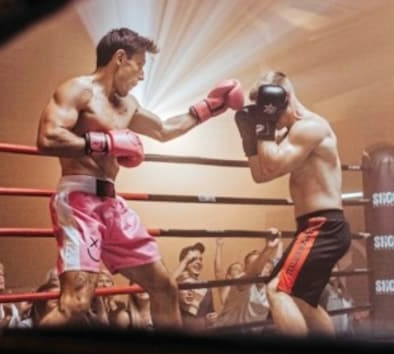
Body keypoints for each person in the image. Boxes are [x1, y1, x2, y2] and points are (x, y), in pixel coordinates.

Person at [36, 27, 244, 329]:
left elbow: (164, 129)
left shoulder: (128, 105)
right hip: (79, 201)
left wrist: (209, 107)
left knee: (165, 287)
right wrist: (104, 143)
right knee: (75, 305)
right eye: (140, 66)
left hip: (112, 205)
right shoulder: (77, 90)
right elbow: (47, 137)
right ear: (120, 58)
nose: (142, 76)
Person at [234, 71, 351, 336]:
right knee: (302, 301)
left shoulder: (310, 127)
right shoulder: (291, 133)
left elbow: (273, 161)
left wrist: (263, 124)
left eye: (269, 110)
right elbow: (261, 174)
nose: (271, 120)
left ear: (280, 100)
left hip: (323, 226)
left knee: (277, 291)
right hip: (315, 227)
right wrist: (250, 143)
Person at [214, 232, 283, 329]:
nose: (261, 267)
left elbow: (277, 262)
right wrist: (269, 248)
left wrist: (279, 242)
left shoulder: (269, 286)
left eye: (264, 265)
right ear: (246, 269)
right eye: (254, 264)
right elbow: (253, 272)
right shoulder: (239, 284)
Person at [172, 242, 215, 328]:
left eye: (200, 259)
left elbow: (210, 313)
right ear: (185, 262)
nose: (199, 262)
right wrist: (185, 260)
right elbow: (167, 285)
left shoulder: (206, 288)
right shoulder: (176, 285)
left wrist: (213, 318)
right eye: (194, 259)